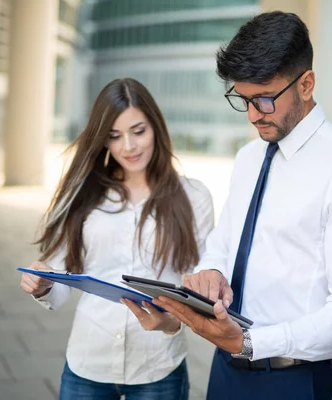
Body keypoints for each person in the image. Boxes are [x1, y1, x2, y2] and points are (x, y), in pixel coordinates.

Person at [143, 11, 332, 400]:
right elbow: (224, 241)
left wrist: (251, 341)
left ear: (306, 84)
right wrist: (212, 271)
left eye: (265, 100)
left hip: (295, 380)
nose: (253, 115)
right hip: (225, 372)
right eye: (244, 100)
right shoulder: (247, 158)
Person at [19, 78, 214, 400]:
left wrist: (171, 323)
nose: (128, 146)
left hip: (159, 364)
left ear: (156, 128)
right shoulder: (84, 195)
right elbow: (60, 276)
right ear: (103, 141)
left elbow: (200, 285)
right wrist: (43, 283)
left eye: (138, 131)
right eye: (114, 136)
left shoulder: (194, 197)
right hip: (89, 360)